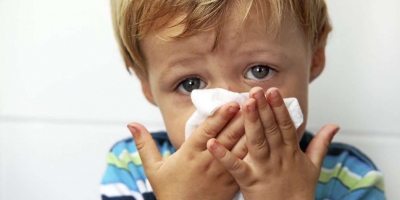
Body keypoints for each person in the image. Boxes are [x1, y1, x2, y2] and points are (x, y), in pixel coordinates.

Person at [101, 0, 385, 199]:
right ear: (147, 86)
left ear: (315, 57)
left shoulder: (349, 179)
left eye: (259, 71)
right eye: (191, 84)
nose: (230, 107)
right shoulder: (132, 171)